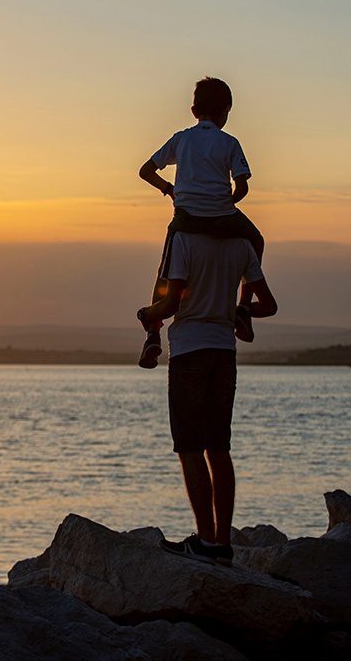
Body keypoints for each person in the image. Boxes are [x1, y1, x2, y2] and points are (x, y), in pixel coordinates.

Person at [136, 231, 277, 564]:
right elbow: (269, 306)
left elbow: (170, 304)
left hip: (189, 351)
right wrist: (238, 308)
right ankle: (222, 543)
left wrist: (148, 314)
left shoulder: (183, 240)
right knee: (218, 447)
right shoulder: (242, 244)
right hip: (224, 352)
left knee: (189, 447)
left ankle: (204, 540)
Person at [137, 77, 265, 369]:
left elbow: (145, 171)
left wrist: (169, 189)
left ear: (194, 111)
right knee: (256, 241)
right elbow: (243, 186)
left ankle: (153, 334)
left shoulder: (181, 139)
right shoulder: (230, 142)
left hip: (186, 219)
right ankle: (244, 306)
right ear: (226, 112)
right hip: (222, 216)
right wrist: (227, 202)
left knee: (164, 274)